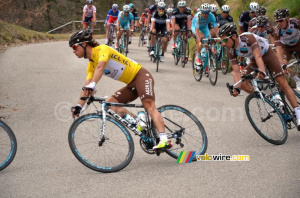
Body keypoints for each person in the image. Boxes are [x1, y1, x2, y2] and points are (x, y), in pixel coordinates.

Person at [69, 29, 171, 150]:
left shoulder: (102, 49)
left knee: (148, 105)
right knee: (109, 104)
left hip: (141, 76)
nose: (74, 51)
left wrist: (93, 84)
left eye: (75, 47)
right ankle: (138, 119)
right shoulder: (91, 65)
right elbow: (86, 86)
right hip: (131, 84)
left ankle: (164, 139)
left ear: (84, 44)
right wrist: (79, 106)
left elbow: (101, 67)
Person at [219, 22, 300, 129]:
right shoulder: (231, 50)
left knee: (282, 83)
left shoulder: (248, 38)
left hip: (267, 55)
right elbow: (236, 71)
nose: (223, 43)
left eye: (224, 40)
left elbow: (258, 56)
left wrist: (262, 71)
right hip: (254, 61)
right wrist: (237, 88)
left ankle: (297, 113)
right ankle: (269, 98)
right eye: (221, 41)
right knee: (242, 83)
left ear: (234, 36)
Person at [274, 8, 300, 90]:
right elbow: (278, 48)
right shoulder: (277, 30)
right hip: (286, 48)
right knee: (281, 66)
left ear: (287, 19)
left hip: (298, 44)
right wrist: (282, 63)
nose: (279, 23)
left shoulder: (295, 22)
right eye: (277, 21)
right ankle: (297, 80)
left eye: (281, 20)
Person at [238, 2, 259, 71]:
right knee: (242, 45)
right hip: (245, 29)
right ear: (249, 10)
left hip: (255, 30)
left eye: (256, 12)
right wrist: (242, 37)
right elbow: (240, 28)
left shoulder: (259, 16)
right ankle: (241, 62)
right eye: (252, 12)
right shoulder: (244, 15)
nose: (254, 14)